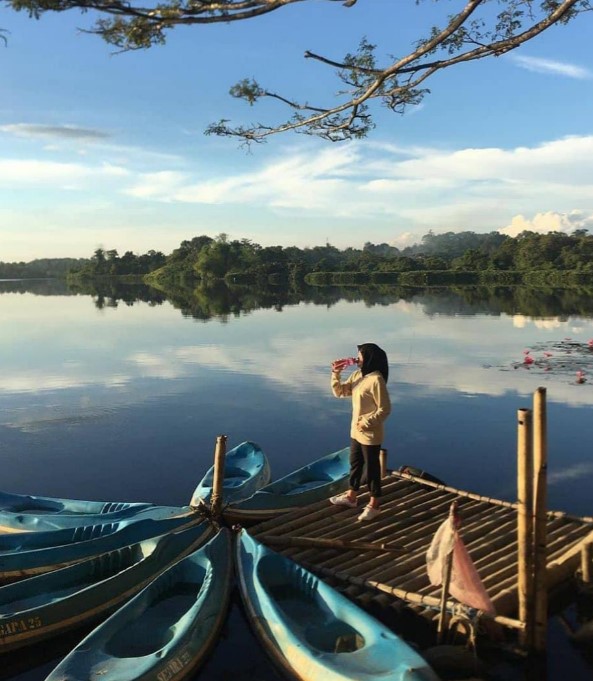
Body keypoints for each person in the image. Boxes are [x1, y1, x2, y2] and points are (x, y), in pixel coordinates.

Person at [329, 343, 391, 521]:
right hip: (356, 431)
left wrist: (366, 422)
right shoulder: (358, 375)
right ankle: (351, 497)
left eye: (360, 355)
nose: (357, 358)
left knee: (372, 469)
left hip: (370, 433)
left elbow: (385, 409)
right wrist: (336, 373)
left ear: (370, 358)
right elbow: (340, 392)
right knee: (355, 464)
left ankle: (374, 504)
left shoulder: (376, 380)